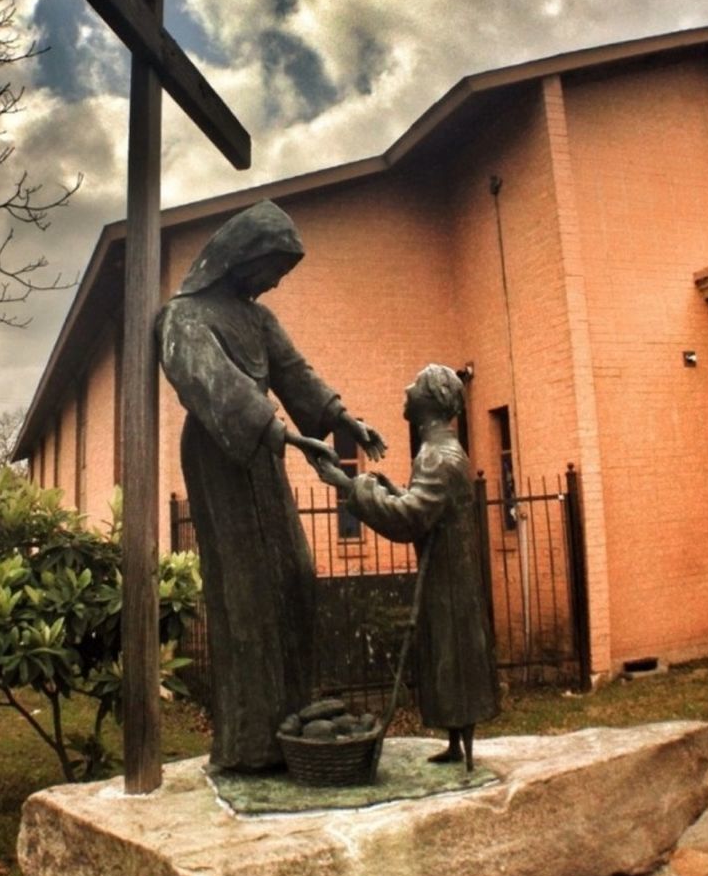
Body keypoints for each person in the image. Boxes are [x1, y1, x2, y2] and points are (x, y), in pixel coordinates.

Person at [157, 199, 386, 772]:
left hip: (266, 452)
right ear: (243, 257)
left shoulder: (257, 319)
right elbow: (216, 390)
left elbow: (293, 371)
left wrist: (339, 418)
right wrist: (282, 435)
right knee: (246, 594)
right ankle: (249, 743)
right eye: (273, 269)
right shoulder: (184, 317)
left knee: (294, 576)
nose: (276, 282)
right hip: (221, 454)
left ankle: (292, 720)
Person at [306, 364, 498, 771]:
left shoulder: (438, 456)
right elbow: (425, 507)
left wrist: (348, 485)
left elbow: (410, 519)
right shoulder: (438, 452)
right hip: (446, 577)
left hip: (448, 583)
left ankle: (464, 750)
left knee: (454, 657)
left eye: (416, 384)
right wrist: (392, 491)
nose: (407, 388)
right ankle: (456, 745)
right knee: (448, 659)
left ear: (429, 401)